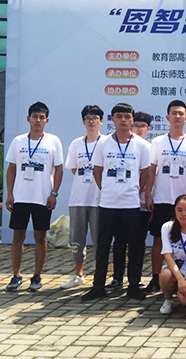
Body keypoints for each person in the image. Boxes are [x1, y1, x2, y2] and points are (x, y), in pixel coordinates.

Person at [82, 103, 151, 301]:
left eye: (127, 116)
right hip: (107, 203)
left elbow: (146, 173)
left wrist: (135, 189)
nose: (123, 120)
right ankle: (98, 286)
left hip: (131, 204)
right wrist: (107, 189)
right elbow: (97, 171)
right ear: (112, 119)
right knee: (103, 245)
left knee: (135, 246)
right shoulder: (103, 143)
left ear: (132, 119)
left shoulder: (141, 145)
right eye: (119, 116)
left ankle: (134, 286)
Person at [4, 102, 63, 292]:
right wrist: (10, 193)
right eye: (35, 117)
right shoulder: (18, 141)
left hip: (42, 197)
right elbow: (12, 168)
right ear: (28, 119)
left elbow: (59, 169)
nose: (38, 120)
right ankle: (16, 275)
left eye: (41, 117)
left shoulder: (53, 141)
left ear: (47, 120)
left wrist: (54, 193)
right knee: (18, 235)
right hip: (20, 197)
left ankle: (37, 276)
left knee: (40, 236)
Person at [145, 100, 186, 294]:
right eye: (174, 113)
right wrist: (148, 194)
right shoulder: (157, 142)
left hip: (184, 202)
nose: (177, 116)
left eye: (181, 113)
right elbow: (152, 170)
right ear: (167, 117)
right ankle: (156, 278)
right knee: (158, 240)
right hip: (161, 198)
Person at [60, 105, 104, 289]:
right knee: (77, 238)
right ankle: (78, 275)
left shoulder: (106, 142)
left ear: (101, 121)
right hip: (78, 198)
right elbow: (73, 169)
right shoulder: (76, 144)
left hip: (99, 199)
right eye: (88, 118)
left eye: (95, 118)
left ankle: (99, 276)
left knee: (99, 239)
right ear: (83, 121)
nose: (91, 121)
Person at [158, 194, 186, 314]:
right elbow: (168, 256)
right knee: (165, 275)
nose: (183, 214)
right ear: (175, 210)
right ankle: (168, 299)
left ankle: (183, 290)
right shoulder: (167, 227)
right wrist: (180, 280)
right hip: (174, 268)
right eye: (179, 210)